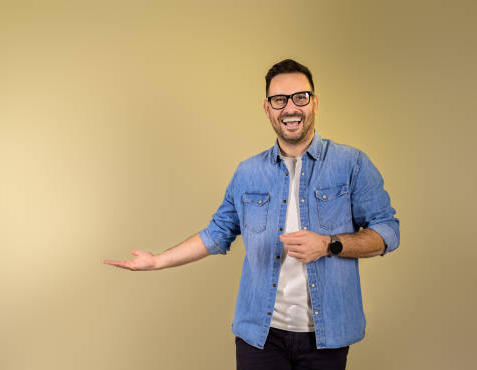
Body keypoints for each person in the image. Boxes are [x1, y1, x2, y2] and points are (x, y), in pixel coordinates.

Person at [104, 59, 400, 370]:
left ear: (314, 103)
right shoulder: (248, 173)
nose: (290, 108)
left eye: (300, 97)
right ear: (267, 108)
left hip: (326, 338)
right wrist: (156, 261)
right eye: (279, 100)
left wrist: (329, 244)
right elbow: (217, 232)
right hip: (260, 336)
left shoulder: (351, 164)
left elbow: (388, 232)